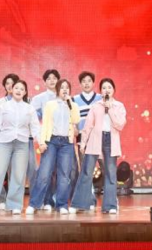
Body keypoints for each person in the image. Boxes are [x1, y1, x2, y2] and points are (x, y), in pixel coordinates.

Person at [0, 79, 44, 214]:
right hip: (4, 143)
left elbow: (35, 127)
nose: (19, 91)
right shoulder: (3, 107)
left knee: (18, 175)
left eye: (22, 89)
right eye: (16, 88)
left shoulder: (29, 108)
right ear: (11, 90)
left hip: (22, 144)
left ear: (25, 92)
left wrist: (41, 142)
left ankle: (14, 205)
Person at [70, 78, 126, 214]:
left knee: (110, 173)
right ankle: (79, 204)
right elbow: (88, 126)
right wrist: (83, 143)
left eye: (109, 87)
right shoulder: (95, 106)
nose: (107, 90)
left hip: (110, 140)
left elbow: (120, 125)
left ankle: (110, 206)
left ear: (114, 90)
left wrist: (110, 109)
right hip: (95, 140)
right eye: (104, 88)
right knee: (86, 172)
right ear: (100, 91)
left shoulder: (119, 106)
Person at [29, 78, 80, 214]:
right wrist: (42, 142)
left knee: (64, 175)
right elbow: (45, 124)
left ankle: (62, 205)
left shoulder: (73, 105)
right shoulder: (50, 104)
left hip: (67, 143)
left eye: (67, 87)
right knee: (44, 173)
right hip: (51, 141)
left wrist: (70, 103)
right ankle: (34, 204)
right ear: (57, 90)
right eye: (62, 87)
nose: (65, 90)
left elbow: (76, 120)